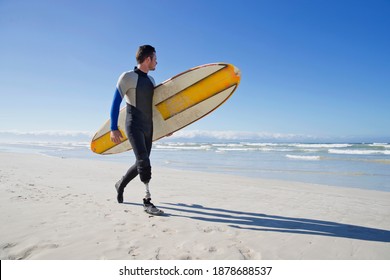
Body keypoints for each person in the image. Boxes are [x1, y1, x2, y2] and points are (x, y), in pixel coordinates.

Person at [110, 45, 163, 215]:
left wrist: (167, 126)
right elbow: (115, 103)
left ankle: (121, 184)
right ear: (148, 59)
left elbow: (153, 108)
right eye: (155, 58)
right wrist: (113, 128)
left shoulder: (152, 81)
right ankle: (147, 200)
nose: (157, 62)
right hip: (133, 125)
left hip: (149, 127)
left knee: (142, 161)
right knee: (144, 163)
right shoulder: (127, 77)